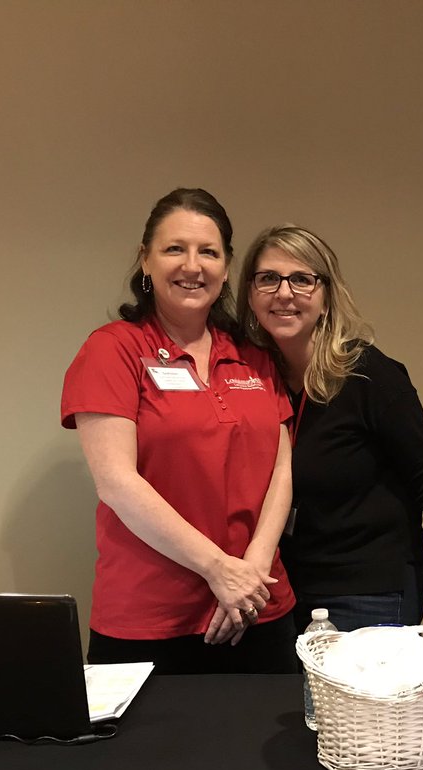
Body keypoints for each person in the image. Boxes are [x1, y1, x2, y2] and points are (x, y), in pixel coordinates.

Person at [235, 225, 423, 633]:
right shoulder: (248, 380)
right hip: (285, 589)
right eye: (269, 278)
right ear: (250, 293)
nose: (284, 293)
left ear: (326, 297)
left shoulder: (368, 374)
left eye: (302, 279)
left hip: (369, 589)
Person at [62, 189, 296, 674]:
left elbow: (281, 469)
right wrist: (219, 570)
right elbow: (117, 483)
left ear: (226, 268)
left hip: (259, 605)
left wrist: (251, 572)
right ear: (145, 260)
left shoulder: (254, 355)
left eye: (208, 251)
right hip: (151, 619)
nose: (193, 265)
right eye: (174, 249)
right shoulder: (113, 350)